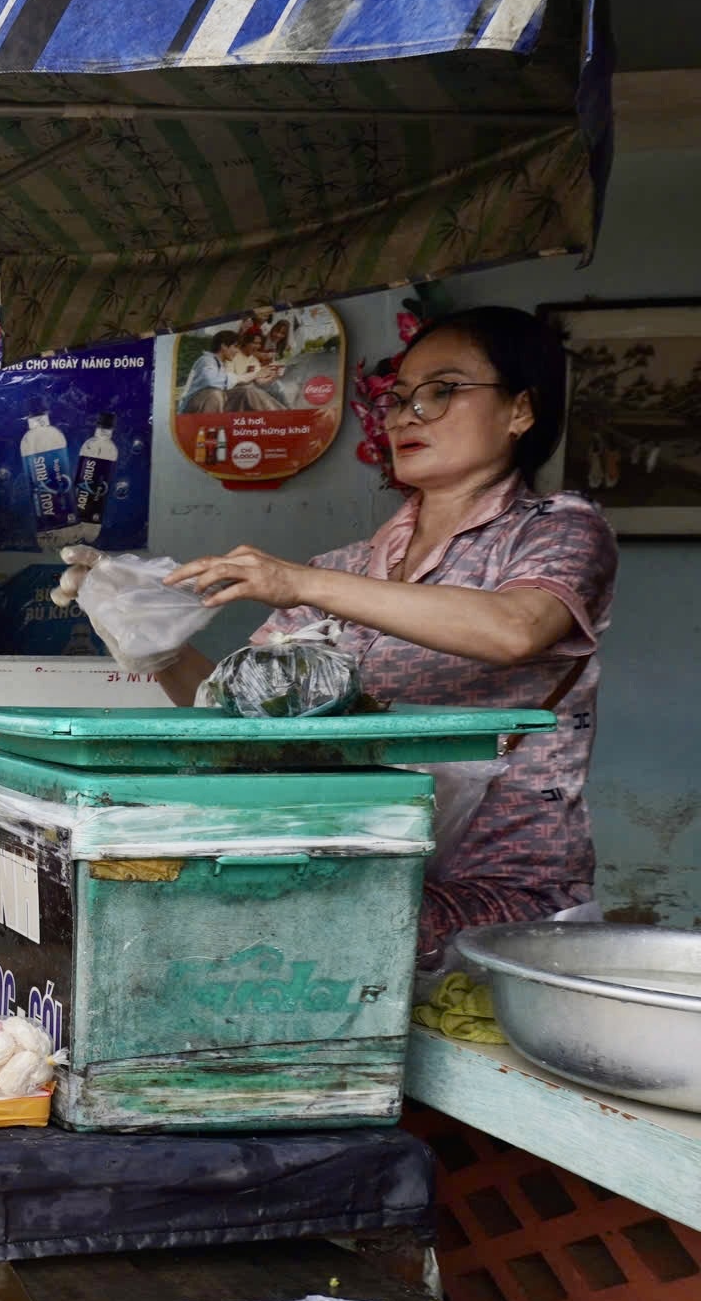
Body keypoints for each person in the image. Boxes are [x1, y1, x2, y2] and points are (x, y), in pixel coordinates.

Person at [145, 305, 617, 962]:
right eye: (396, 398)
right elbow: (240, 711)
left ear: (520, 411)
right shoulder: (345, 567)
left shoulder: (556, 530)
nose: (404, 415)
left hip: (504, 904)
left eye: (442, 391)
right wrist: (156, 644)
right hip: (362, 867)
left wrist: (300, 585)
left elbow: (517, 628)